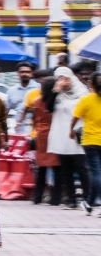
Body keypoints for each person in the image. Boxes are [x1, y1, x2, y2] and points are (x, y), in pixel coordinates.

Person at [47, 67, 91, 212]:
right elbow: (49, 108)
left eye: (65, 77)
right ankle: (71, 199)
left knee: (82, 168)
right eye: (59, 78)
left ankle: (88, 197)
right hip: (61, 134)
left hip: (78, 134)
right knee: (66, 169)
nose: (63, 81)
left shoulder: (82, 93)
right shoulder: (57, 94)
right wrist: (55, 91)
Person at [71, 72, 101, 210]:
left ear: (91, 84)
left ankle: (93, 201)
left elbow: (75, 117)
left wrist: (71, 130)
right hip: (93, 141)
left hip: (90, 140)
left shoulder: (86, 100)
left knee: (95, 173)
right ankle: (90, 202)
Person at [30, 77, 61, 205]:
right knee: (57, 168)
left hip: (41, 135)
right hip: (55, 134)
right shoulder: (57, 101)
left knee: (41, 168)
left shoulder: (36, 101)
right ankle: (55, 198)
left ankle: (37, 196)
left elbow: (34, 118)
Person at [7, 61, 39, 135]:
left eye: (27, 72)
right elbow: (6, 110)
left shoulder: (38, 88)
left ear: (32, 74)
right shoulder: (11, 90)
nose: (24, 74)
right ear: (18, 73)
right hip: (18, 128)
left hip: (35, 128)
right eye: (22, 72)